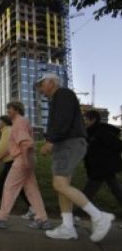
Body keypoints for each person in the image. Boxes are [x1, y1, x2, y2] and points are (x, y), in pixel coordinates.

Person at [37, 72, 114, 242]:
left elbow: (62, 120)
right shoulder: (60, 97)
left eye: (41, 84)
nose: (40, 89)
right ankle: (68, 227)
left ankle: (100, 217)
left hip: (68, 143)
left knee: (59, 184)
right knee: (63, 187)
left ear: (51, 82)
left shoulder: (62, 94)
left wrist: (50, 140)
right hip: (67, 143)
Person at [0, 102, 51, 230]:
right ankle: (43, 219)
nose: (7, 112)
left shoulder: (19, 122)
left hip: (22, 159)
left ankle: (0, 218)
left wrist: (25, 161)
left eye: (9, 109)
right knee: (32, 190)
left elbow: (25, 143)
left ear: (16, 110)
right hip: (26, 158)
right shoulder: (20, 122)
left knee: (9, 187)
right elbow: (15, 144)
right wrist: (1, 156)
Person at [0, 115, 35, 220]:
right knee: (19, 187)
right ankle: (32, 208)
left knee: (2, 183)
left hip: (13, 162)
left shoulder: (7, 131)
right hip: (12, 161)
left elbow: (3, 148)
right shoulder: (6, 131)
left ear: (4, 122)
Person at [74, 110, 122, 217]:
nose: (85, 121)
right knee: (116, 191)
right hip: (101, 168)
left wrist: (104, 155)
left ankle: (76, 214)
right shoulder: (91, 132)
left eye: (86, 119)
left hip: (102, 167)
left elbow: (118, 145)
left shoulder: (101, 131)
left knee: (89, 191)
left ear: (93, 119)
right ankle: (77, 214)